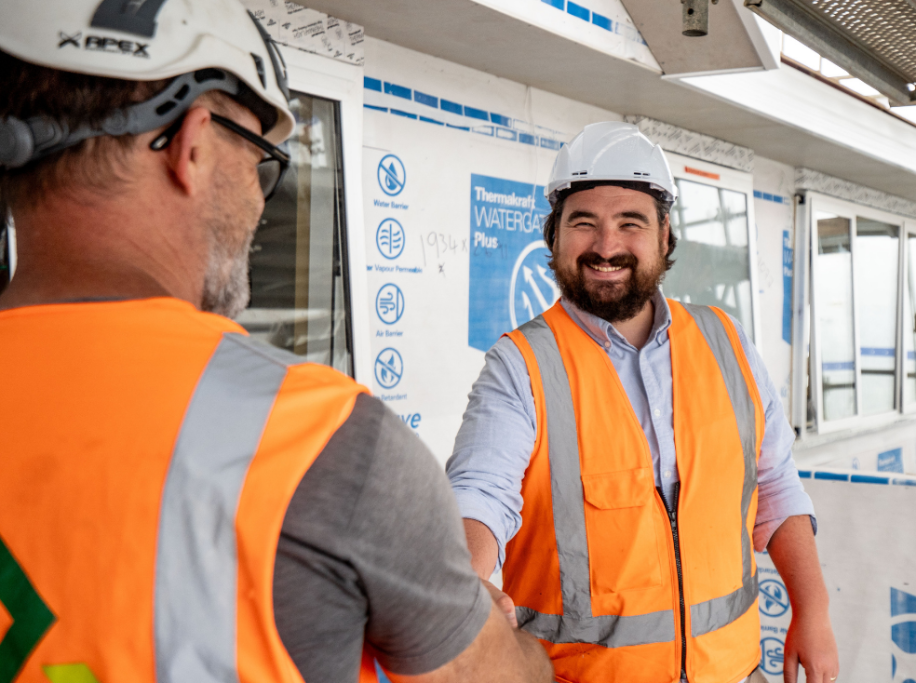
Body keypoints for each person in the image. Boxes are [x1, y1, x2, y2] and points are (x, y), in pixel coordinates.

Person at [0, 3, 552, 683]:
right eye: (261, 160)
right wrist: (504, 639)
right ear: (193, 144)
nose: (261, 202)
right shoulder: (321, 439)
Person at [447, 122, 840, 683]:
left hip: (733, 671)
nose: (606, 246)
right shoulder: (522, 364)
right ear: (554, 236)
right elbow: (480, 492)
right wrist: (465, 580)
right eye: (584, 223)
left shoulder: (726, 342)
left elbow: (776, 484)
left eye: (630, 223)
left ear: (664, 234)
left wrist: (813, 611)